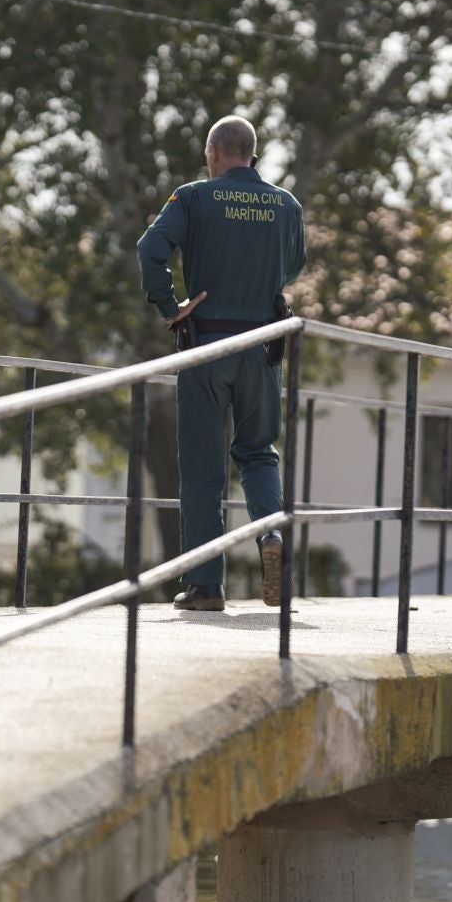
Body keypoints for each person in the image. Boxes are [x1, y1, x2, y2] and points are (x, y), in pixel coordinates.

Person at [135, 116, 306, 611]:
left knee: (204, 467)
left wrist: (170, 306)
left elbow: (150, 250)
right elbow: (292, 267)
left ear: (213, 152)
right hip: (263, 345)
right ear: (251, 156)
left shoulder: (193, 197)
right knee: (257, 452)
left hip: (206, 347)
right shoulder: (287, 205)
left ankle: (206, 586)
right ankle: (270, 534)